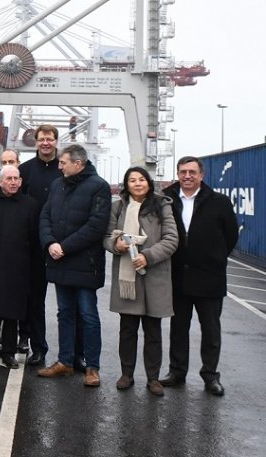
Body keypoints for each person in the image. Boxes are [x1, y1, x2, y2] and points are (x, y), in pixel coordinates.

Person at [161, 156, 239, 396]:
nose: (187, 176)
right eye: (183, 171)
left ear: (201, 175)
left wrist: (214, 258)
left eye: (192, 172)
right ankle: (177, 371)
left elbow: (231, 236)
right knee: (178, 328)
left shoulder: (219, 202)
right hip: (178, 277)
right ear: (178, 173)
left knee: (211, 330)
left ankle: (210, 375)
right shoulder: (167, 200)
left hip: (209, 278)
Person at [37, 144, 111, 388]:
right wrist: (49, 243)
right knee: (64, 314)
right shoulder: (58, 185)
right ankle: (65, 361)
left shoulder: (98, 186)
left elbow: (96, 225)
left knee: (88, 316)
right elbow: (45, 216)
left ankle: (92, 367)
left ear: (78, 164)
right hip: (60, 261)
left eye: (63, 162)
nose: (59, 166)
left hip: (84, 264)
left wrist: (64, 246)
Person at [104, 166, 178, 395]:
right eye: (132, 180)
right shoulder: (118, 207)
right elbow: (107, 237)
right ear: (126, 185)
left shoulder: (162, 206)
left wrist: (148, 256)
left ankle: (153, 378)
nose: (137, 183)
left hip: (155, 276)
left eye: (141, 179)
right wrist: (115, 246)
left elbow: (172, 239)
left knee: (153, 330)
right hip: (128, 278)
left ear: (148, 182)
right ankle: (126, 375)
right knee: (127, 329)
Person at [0, 165, 37, 368]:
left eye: (16, 179)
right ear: (0, 182)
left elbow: (33, 238)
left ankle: (8, 352)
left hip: (17, 267)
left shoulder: (30, 205)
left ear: (21, 182)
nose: (12, 182)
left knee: (12, 313)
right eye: (8, 179)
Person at [17, 124, 61, 367]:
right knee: (34, 299)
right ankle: (38, 348)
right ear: (36, 141)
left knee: (69, 304)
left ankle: (72, 354)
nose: (45, 143)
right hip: (32, 244)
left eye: (50, 139)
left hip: (59, 244)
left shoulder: (66, 170)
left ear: (56, 141)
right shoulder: (25, 170)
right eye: (42, 139)